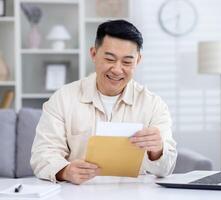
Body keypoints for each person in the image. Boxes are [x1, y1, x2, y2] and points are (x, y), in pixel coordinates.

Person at [30, 20, 177, 185]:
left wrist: (157, 150)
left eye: (127, 62)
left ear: (138, 61)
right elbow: (42, 154)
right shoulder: (63, 98)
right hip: (78, 193)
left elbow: (167, 169)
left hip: (134, 193)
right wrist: (65, 171)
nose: (117, 69)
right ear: (93, 54)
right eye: (109, 59)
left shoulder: (154, 105)